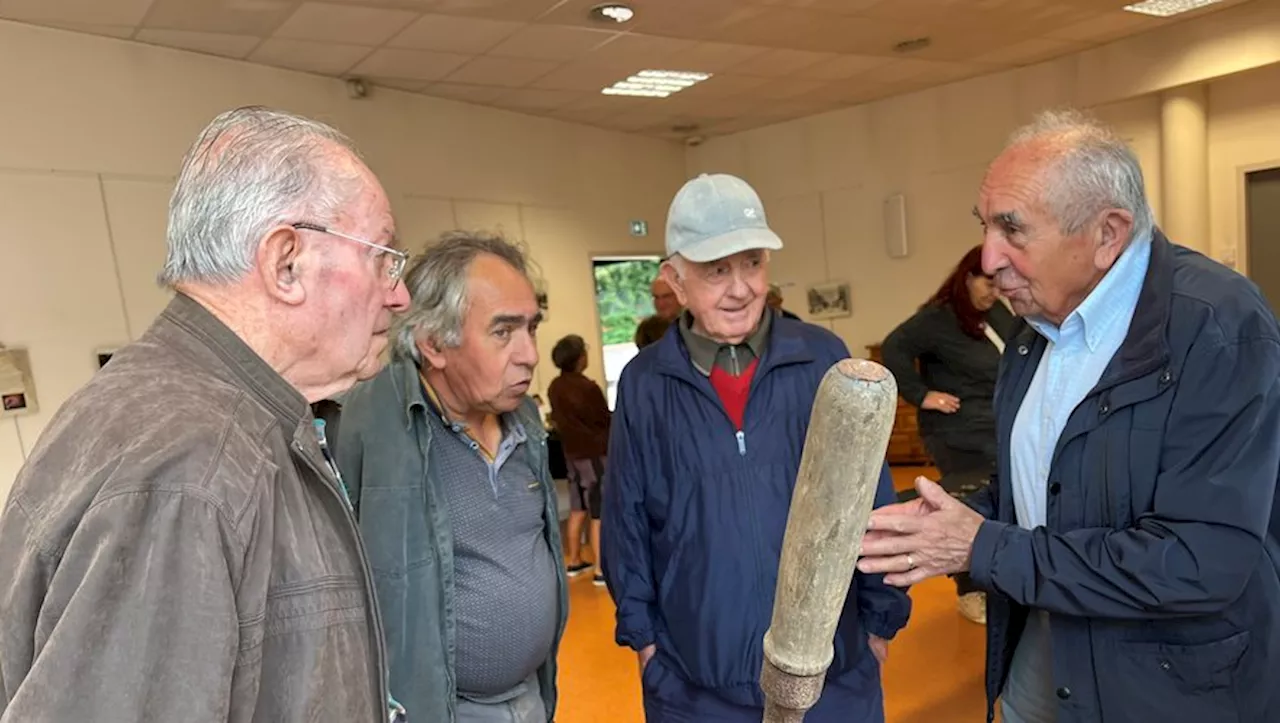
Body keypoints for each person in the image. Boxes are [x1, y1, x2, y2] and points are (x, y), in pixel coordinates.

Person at [857, 109, 1280, 723]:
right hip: (1045, 659)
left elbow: (1197, 563)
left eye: (1013, 229)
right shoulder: (1033, 330)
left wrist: (983, 547)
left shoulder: (1216, 326)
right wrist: (949, 521)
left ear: (1108, 234)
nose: (988, 256)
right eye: (985, 226)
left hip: (1171, 688)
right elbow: (1042, 490)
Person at [0, 106, 411, 721]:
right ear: (287, 263)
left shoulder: (188, 413)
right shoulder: (195, 464)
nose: (399, 293)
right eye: (383, 258)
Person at [603, 173, 911, 722]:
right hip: (696, 688)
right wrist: (647, 646)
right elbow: (626, 519)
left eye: (752, 263)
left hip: (833, 678)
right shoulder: (645, 384)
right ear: (674, 279)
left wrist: (879, 627)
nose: (740, 287)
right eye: (716, 270)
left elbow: (871, 502)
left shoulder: (824, 360)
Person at [334, 231, 568, 723]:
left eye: (532, 329)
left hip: (532, 698)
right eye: (504, 332)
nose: (529, 354)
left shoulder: (523, 418)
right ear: (434, 343)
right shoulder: (368, 423)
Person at [880, 244, 1018, 624]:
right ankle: (969, 590)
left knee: (991, 501)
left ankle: (990, 580)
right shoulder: (937, 319)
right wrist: (923, 396)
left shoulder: (995, 314)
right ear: (967, 278)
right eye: (986, 282)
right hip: (956, 430)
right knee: (969, 502)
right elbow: (894, 348)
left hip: (994, 425)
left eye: (998, 283)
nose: (994, 290)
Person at [547, 334, 611, 584]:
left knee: (578, 507)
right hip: (593, 455)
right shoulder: (587, 387)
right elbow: (603, 419)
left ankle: (573, 561)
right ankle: (601, 570)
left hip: (571, 455)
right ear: (578, 358)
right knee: (600, 511)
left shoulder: (554, 386)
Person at [634, 277, 681, 347]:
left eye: (666, 296)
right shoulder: (649, 329)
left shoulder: (696, 325)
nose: (660, 303)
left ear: (681, 295)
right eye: (656, 297)